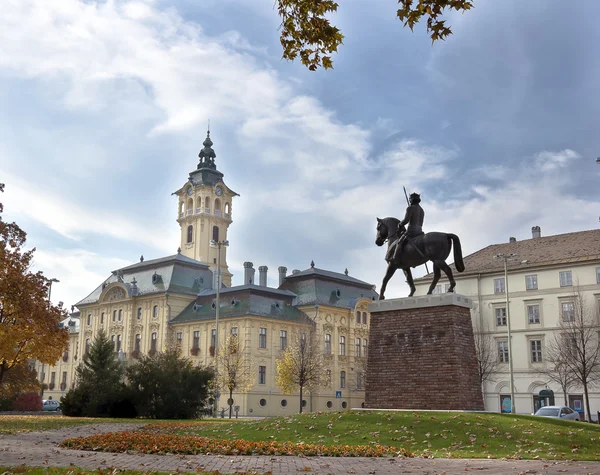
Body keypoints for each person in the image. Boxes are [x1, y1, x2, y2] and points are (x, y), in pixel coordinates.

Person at [393, 192, 425, 260]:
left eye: (410, 199)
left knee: (399, 242)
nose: (409, 200)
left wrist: (400, 224)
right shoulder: (422, 210)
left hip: (411, 231)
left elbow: (406, 220)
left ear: (411, 200)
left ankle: (395, 258)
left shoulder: (410, 208)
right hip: (420, 231)